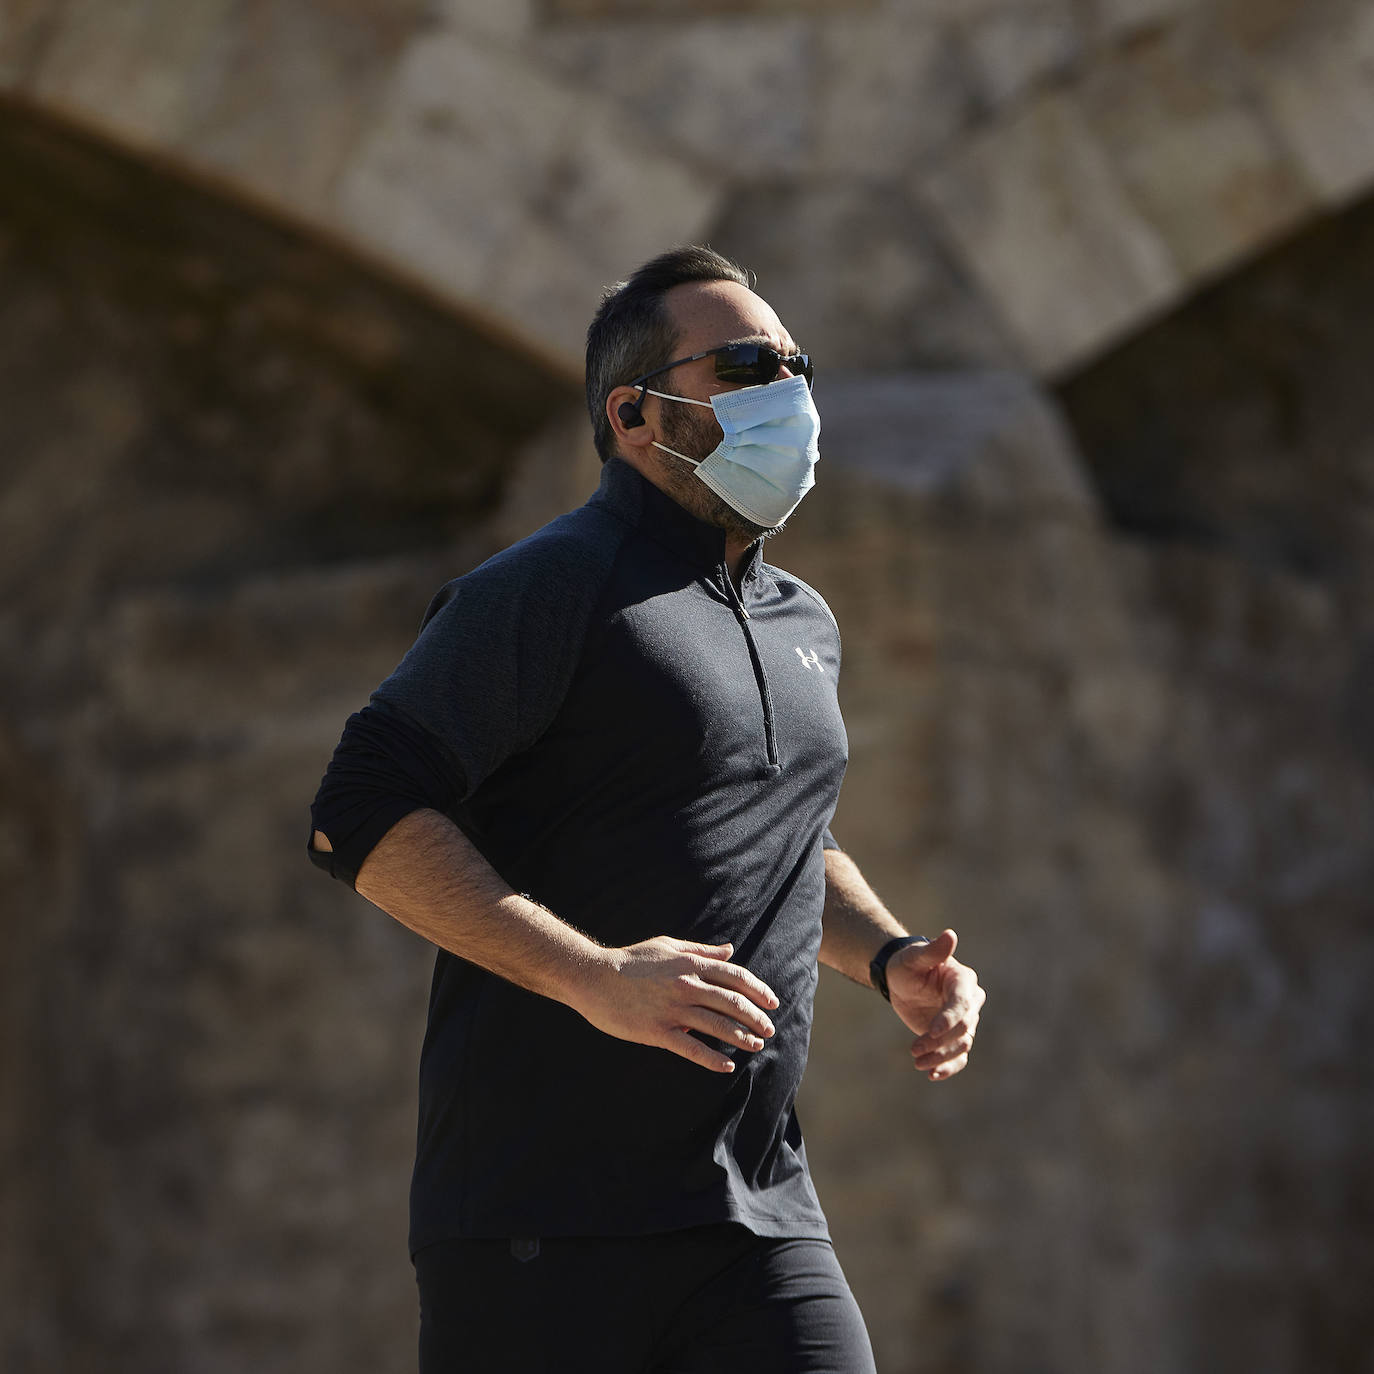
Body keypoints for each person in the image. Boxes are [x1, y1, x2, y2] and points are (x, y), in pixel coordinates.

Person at [308, 245, 985, 1372]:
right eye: (747, 366)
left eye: (796, 365)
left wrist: (891, 956)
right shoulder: (549, 586)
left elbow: (779, 834)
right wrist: (595, 977)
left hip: (760, 1216)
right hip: (540, 1230)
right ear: (636, 413)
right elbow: (357, 811)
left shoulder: (800, 620)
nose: (791, 394)